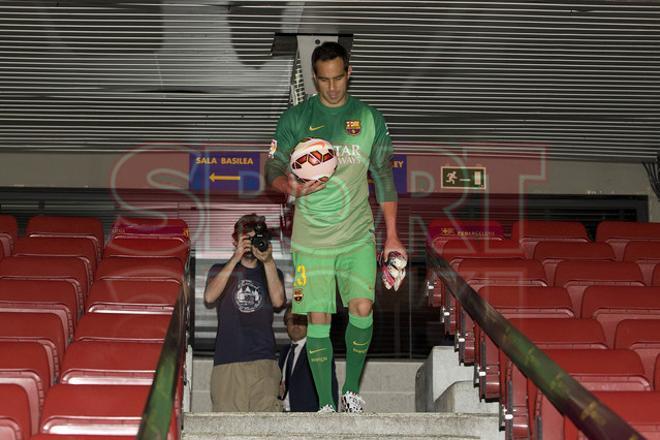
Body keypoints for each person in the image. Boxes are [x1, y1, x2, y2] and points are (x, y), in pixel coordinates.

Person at [265, 41, 407, 413]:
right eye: (324, 79)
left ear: (349, 73)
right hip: (311, 239)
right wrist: (290, 186)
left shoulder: (369, 118)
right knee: (318, 318)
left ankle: (351, 391)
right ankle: (326, 404)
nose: (332, 87)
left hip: (358, 234)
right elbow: (272, 169)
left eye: (338, 77)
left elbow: (385, 180)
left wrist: (392, 236)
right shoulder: (296, 118)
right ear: (315, 77)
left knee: (362, 308)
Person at [204, 214, 286, 412]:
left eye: (256, 239)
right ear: (235, 241)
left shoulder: (272, 271)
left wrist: (268, 262)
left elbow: (278, 301)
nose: (252, 244)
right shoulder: (219, 270)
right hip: (228, 363)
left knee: (266, 428)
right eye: (246, 239)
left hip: (263, 361)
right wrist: (235, 258)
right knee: (227, 428)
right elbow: (209, 297)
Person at [279, 303, 338, 412]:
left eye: (300, 320)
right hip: (283, 416)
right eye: (292, 320)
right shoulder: (284, 352)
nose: (296, 325)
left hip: (309, 418)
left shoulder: (318, 350)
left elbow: (330, 387)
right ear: (285, 323)